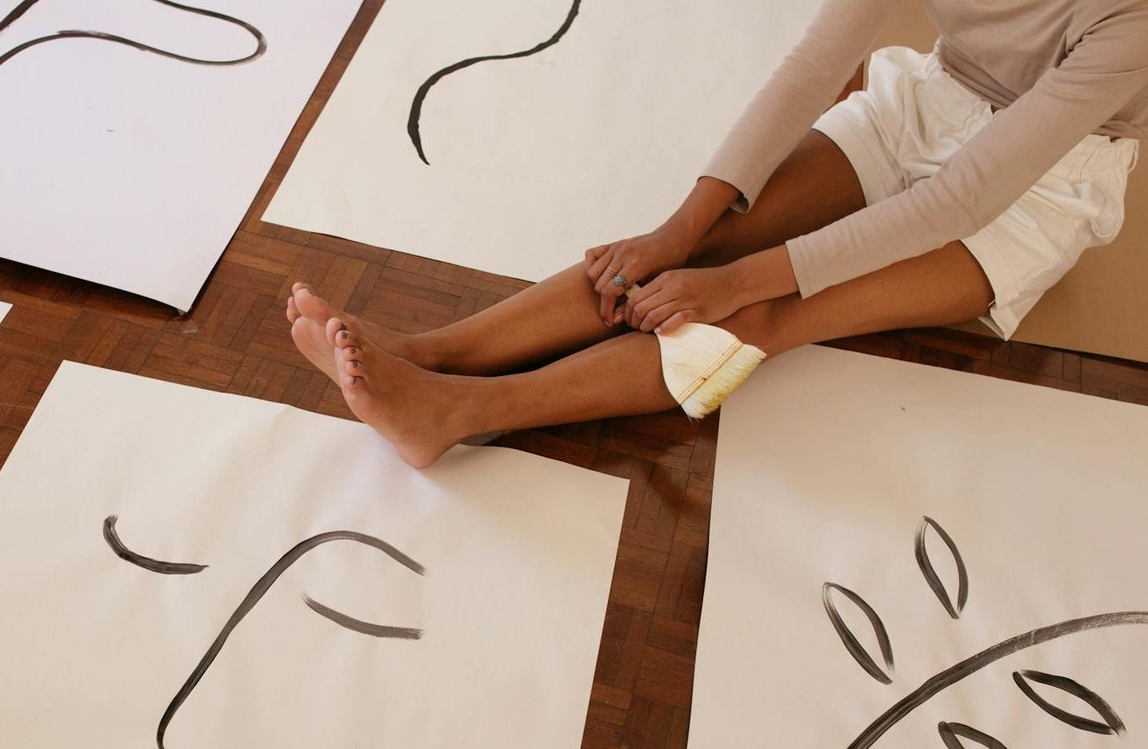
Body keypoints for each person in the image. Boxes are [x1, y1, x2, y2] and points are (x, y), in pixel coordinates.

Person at [287, 0, 1148, 468]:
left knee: (764, 313)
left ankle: (458, 412)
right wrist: (678, 232)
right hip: (927, 100)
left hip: (1042, 184)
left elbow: (961, 199)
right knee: (691, 251)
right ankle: (427, 354)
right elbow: (812, 67)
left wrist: (739, 282)